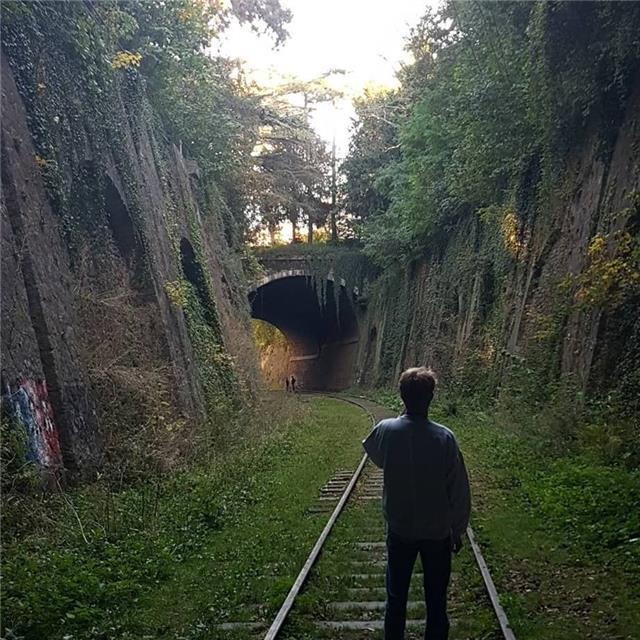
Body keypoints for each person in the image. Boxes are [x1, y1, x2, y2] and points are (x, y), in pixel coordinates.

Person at [362, 367, 471, 640]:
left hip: (400, 529)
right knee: (436, 601)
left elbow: (375, 455)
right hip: (436, 533)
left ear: (401, 395)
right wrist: (457, 529)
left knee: (396, 599)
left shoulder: (386, 430)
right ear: (431, 397)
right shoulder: (445, 437)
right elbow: (458, 489)